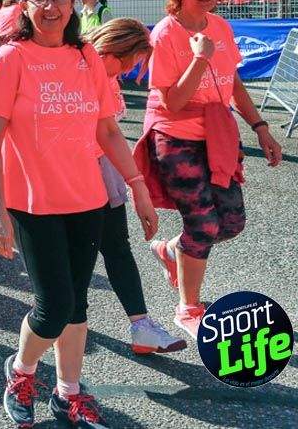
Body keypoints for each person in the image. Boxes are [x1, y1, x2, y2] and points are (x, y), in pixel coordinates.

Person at [0, 0, 158, 429]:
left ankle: (68, 392)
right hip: (34, 203)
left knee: (76, 303)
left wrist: (138, 186)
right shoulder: (11, 58)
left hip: (88, 200)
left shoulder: (86, 57)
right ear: (25, 4)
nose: (52, 7)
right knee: (53, 305)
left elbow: (107, 130)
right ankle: (20, 372)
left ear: (73, 4)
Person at [133, 0, 282, 338]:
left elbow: (232, 83)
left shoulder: (221, 26)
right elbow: (173, 102)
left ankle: (170, 251)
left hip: (216, 132)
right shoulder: (165, 33)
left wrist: (260, 127)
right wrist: (199, 59)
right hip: (175, 134)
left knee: (231, 223)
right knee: (202, 223)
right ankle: (188, 306)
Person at [84, 19, 186, 355]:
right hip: (74, 174)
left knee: (115, 247)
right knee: (78, 255)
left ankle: (140, 325)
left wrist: (134, 183)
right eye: (130, 63)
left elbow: (111, 134)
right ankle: (64, 322)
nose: (130, 71)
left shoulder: (105, 74)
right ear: (113, 50)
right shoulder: (80, 69)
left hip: (105, 170)